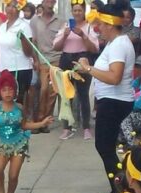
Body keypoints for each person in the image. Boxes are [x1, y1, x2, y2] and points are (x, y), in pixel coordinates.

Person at [74, 0, 135, 193]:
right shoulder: (115, 43)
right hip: (111, 101)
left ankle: (122, 191)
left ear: (109, 24)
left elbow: (114, 77)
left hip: (114, 102)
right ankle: (116, 188)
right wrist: (87, 66)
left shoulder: (118, 44)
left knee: (105, 147)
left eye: (99, 23)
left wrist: (88, 69)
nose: (97, 27)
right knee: (105, 147)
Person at [0, 71, 53, 193]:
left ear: (15, 91)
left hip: (19, 143)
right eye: (4, 90)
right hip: (3, 144)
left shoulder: (20, 108)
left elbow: (24, 125)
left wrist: (41, 123)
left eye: (10, 89)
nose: (8, 93)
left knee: (13, 175)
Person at [53, 0, 99, 140]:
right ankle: (66, 127)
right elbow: (56, 47)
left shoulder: (89, 27)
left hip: (82, 59)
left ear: (84, 11)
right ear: (71, 12)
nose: (77, 13)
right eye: (75, 10)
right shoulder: (65, 26)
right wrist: (65, 35)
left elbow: (95, 49)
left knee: (83, 94)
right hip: (66, 59)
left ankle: (86, 127)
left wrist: (83, 35)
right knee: (65, 95)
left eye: (80, 10)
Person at [0, 0, 34, 109]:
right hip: (5, 70)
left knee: (18, 103)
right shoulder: (2, 27)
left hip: (21, 69)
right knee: (6, 102)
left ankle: (21, 125)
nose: (10, 9)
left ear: (19, 9)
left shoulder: (24, 26)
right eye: (8, 6)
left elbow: (29, 52)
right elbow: (0, 51)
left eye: (14, 6)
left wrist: (23, 39)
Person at [30, 0, 64, 134]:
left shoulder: (61, 20)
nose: (50, 3)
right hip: (42, 60)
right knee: (43, 90)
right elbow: (33, 42)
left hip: (57, 60)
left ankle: (45, 122)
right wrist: (35, 60)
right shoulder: (34, 21)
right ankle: (38, 120)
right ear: (42, 3)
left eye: (52, 1)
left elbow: (63, 42)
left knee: (52, 92)